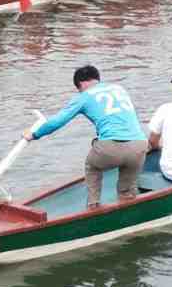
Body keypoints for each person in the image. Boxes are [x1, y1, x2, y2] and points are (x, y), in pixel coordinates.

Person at [26, 66, 149, 210]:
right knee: (127, 190)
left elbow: (57, 121)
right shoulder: (119, 88)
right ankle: (127, 207)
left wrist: (33, 134)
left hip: (111, 148)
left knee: (92, 166)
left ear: (81, 84)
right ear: (97, 78)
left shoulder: (84, 96)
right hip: (140, 145)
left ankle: (93, 206)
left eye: (79, 88)